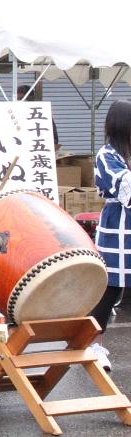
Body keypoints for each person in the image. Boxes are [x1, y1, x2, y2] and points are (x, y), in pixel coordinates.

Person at [90, 99, 131, 372]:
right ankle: (93, 343)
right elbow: (124, 187)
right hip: (118, 229)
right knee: (110, 287)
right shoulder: (107, 155)